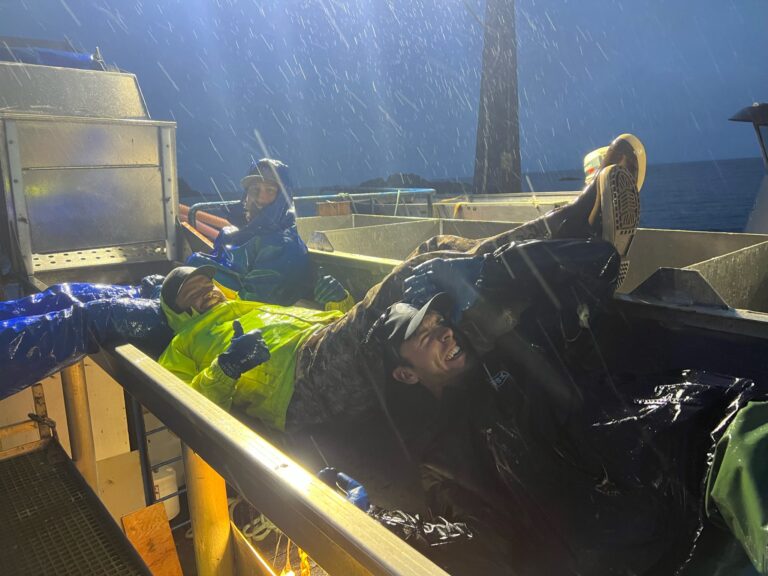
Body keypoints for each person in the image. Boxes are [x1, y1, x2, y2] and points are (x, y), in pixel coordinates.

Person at [158, 135, 645, 436]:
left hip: (323, 348)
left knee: (438, 246)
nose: (206, 292)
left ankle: (575, 232)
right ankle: (576, 231)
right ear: (180, 314)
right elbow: (178, 407)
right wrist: (223, 369)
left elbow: (324, 327)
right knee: (426, 270)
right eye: (191, 296)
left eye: (206, 285)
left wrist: (340, 304)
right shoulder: (184, 343)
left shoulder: (243, 302)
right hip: (301, 388)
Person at [187, 158, 350, 307]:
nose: (260, 198)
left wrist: (197, 268)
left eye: (270, 191)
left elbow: (254, 304)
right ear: (246, 195)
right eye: (254, 189)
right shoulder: (231, 233)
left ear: (282, 199)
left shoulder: (282, 246)